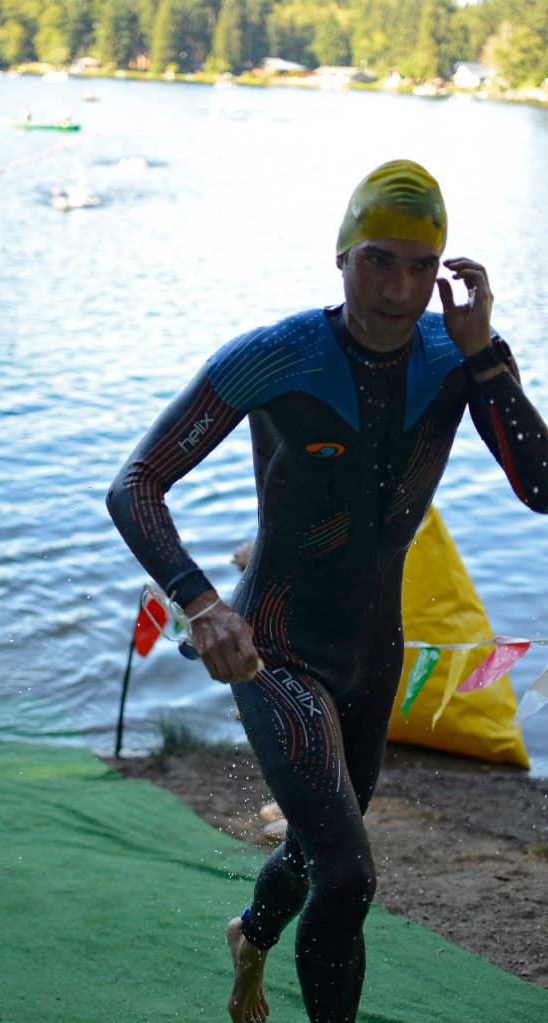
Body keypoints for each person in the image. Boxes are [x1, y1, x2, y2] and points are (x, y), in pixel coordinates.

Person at [106, 159, 548, 1023]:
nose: (401, 287)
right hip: (273, 644)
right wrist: (203, 602)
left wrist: (486, 353)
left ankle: (250, 935)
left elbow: (540, 484)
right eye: (380, 259)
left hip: (375, 655)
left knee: (317, 853)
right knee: (349, 872)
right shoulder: (275, 358)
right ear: (341, 257)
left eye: (423, 266)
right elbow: (136, 485)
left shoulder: (457, 359)